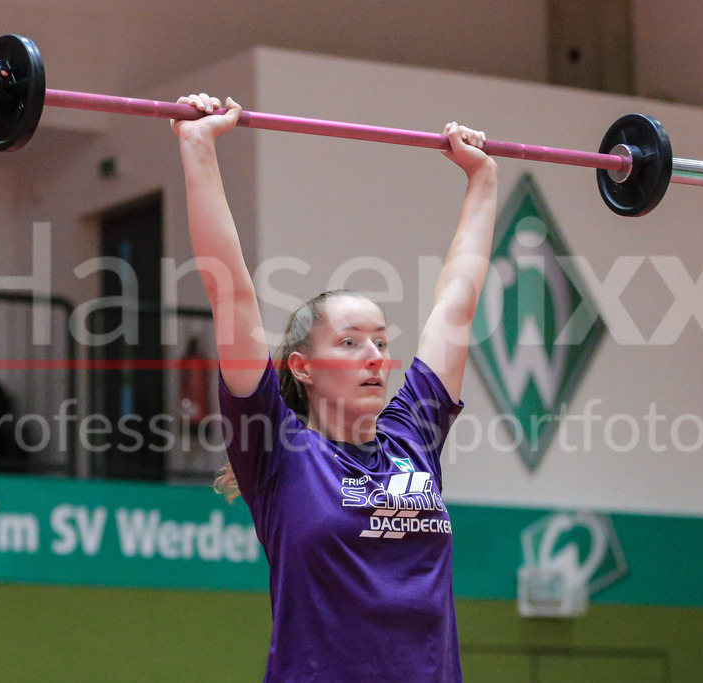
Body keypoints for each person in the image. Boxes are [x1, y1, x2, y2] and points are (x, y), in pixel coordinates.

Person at [172, 93, 497, 682]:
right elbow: (231, 293)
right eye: (350, 343)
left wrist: (483, 179)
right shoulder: (276, 450)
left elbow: (458, 299)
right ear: (302, 367)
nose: (375, 356)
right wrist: (198, 148)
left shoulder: (414, 436)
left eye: (381, 341)